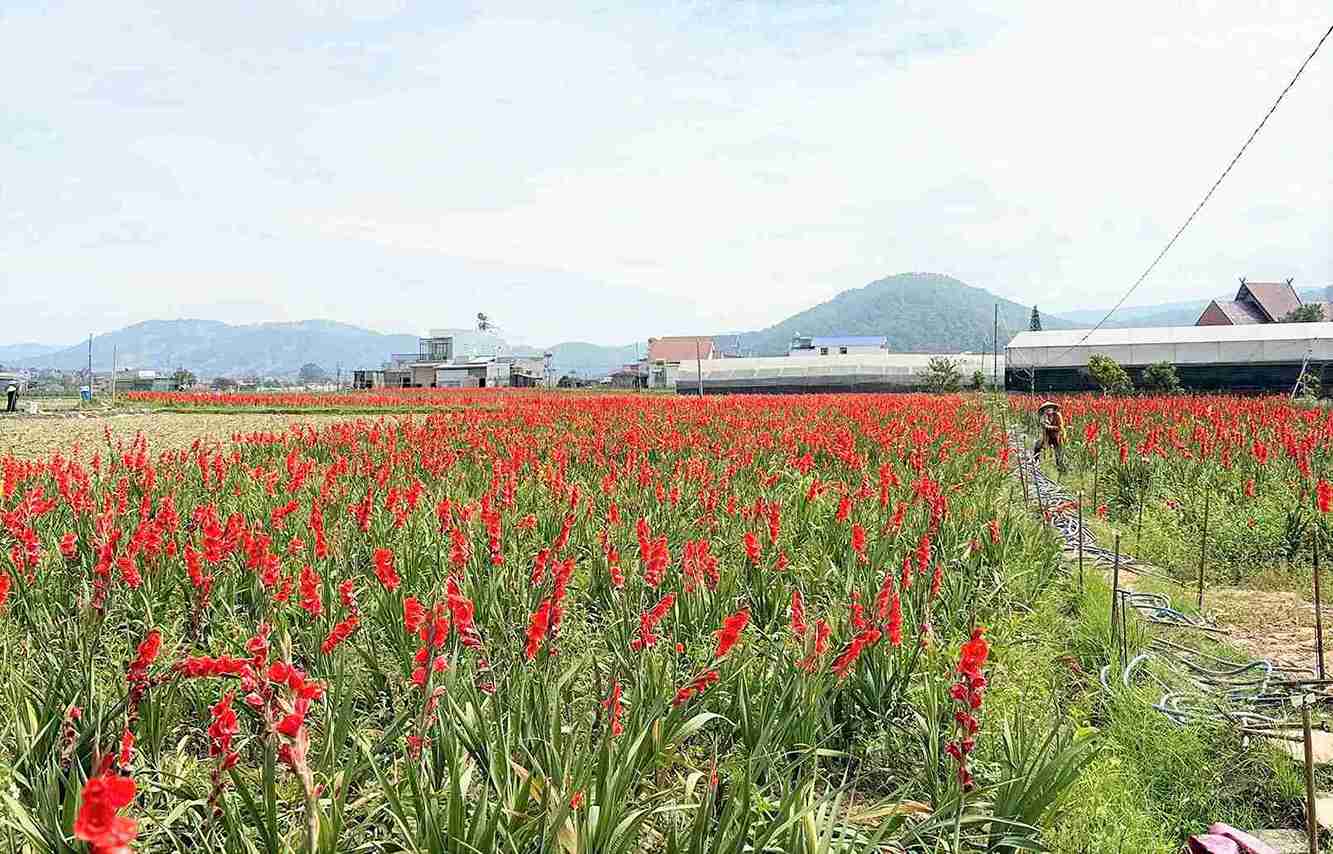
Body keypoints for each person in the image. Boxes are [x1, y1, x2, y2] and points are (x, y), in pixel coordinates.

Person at [1033, 400, 1066, 474]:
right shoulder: (1044, 417)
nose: (1048, 409)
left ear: (1053, 409)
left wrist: (1049, 427)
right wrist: (1044, 425)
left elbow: (1060, 428)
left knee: (1058, 452)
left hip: (1057, 436)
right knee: (1038, 444)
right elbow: (1042, 425)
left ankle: (1061, 468)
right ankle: (1036, 461)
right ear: (1044, 410)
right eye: (1046, 408)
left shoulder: (1058, 415)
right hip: (1047, 436)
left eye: (1050, 408)